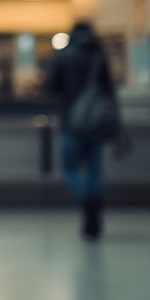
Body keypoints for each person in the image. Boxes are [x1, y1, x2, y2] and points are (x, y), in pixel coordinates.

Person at [44, 21, 114, 240]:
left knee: (69, 168)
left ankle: (86, 201)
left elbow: (50, 87)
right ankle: (95, 205)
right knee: (95, 170)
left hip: (72, 122)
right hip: (95, 123)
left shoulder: (64, 56)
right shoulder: (99, 56)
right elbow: (109, 91)